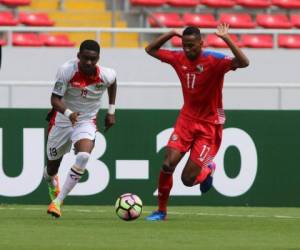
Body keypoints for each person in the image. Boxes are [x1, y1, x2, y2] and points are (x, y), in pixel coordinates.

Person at [145, 24, 249, 221]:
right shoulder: (178, 58)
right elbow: (150, 50)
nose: (187, 49)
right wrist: (169, 34)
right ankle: (161, 211)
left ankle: (207, 169)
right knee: (167, 165)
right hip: (186, 119)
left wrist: (226, 38)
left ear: (202, 43)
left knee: (187, 180)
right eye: (184, 45)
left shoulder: (215, 60)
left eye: (191, 45)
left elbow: (244, 62)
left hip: (209, 125)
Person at [44, 39, 117, 218]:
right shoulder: (66, 70)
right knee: (51, 169)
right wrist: (68, 113)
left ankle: (58, 202)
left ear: (98, 58)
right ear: (78, 56)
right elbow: (54, 99)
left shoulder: (106, 75)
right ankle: (52, 181)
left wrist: (111, 111)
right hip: (62, 120)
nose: (89, 63)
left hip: (86, 121)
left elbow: (113, 83)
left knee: (84, 155)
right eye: (85, 58)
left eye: (93, 59)